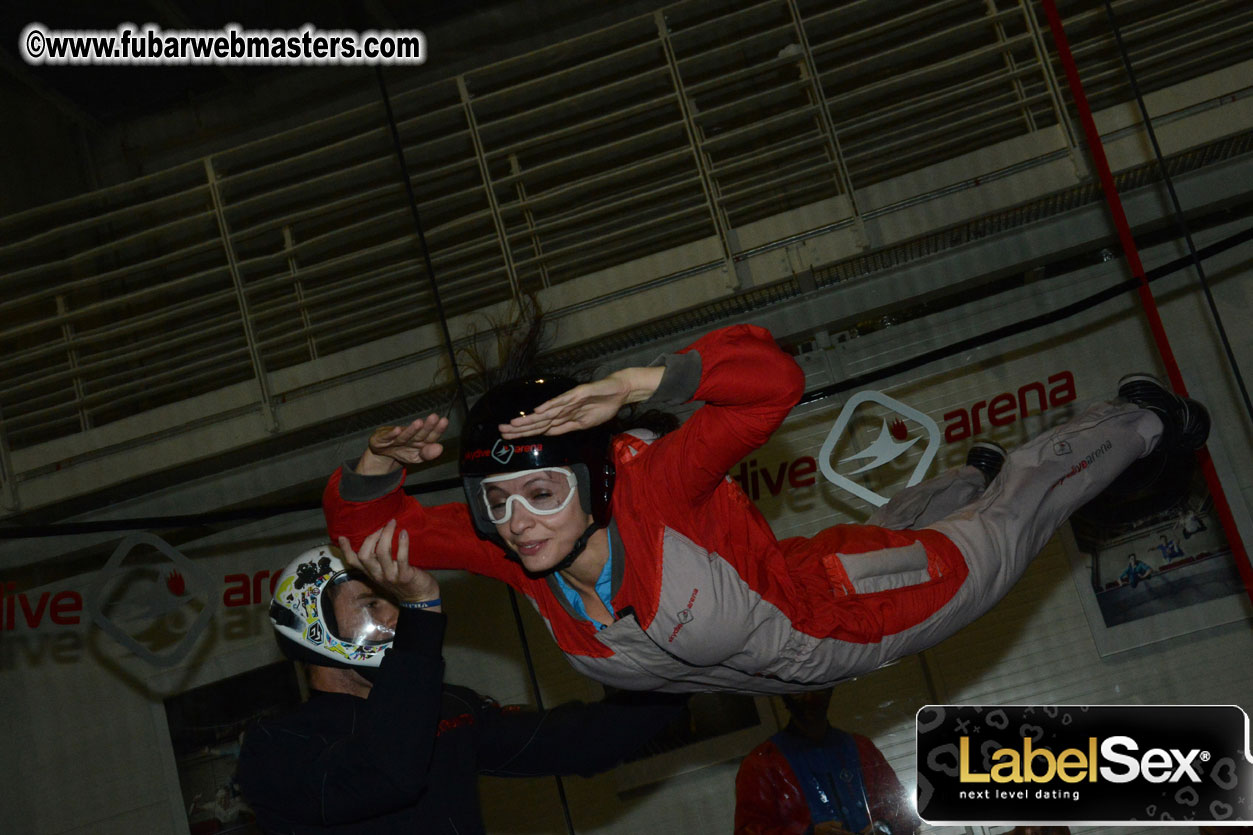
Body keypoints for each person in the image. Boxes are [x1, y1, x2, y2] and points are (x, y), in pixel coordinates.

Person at [325, 324, 1209, 693]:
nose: (519, 519)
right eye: (498, 501)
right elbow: (368, 536)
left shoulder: (654, 484)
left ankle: (1141, 422)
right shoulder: (516, 553)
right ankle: (965, 482)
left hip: (833, 621)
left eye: (543, 492)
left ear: (592, 483)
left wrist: (645, 382)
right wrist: (370, 467)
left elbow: (770, 387)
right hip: (782, 582)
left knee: (1009, 526)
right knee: (892, 525)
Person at [236, 529, 685, 834]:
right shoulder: (275, 746)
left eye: (395, 601)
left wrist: (689, 672)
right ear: (314, 627)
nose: (395, 615)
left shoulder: (445, 707)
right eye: (373, 603)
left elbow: (575, 741)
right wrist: (421, 614)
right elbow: (385, 774)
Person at [734, 689, 920, 835]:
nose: (810, 699)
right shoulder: (762, 765)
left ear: (830, 689)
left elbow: (905, 813)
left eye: (818, 688)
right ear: (784, 695)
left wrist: (883, 827)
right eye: (798, 691)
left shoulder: (861, 747)